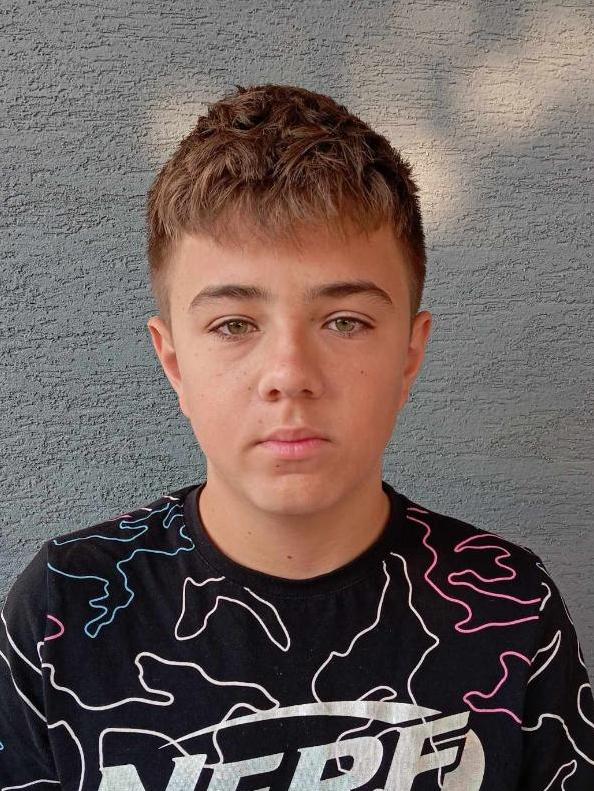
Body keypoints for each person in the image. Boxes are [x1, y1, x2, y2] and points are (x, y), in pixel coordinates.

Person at [1, 83, 592, 791]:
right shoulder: (66, 607)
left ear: (409, 355)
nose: (289, 375)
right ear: (174, 362)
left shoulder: (511, 605)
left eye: (345, 321)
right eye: (234, 325)